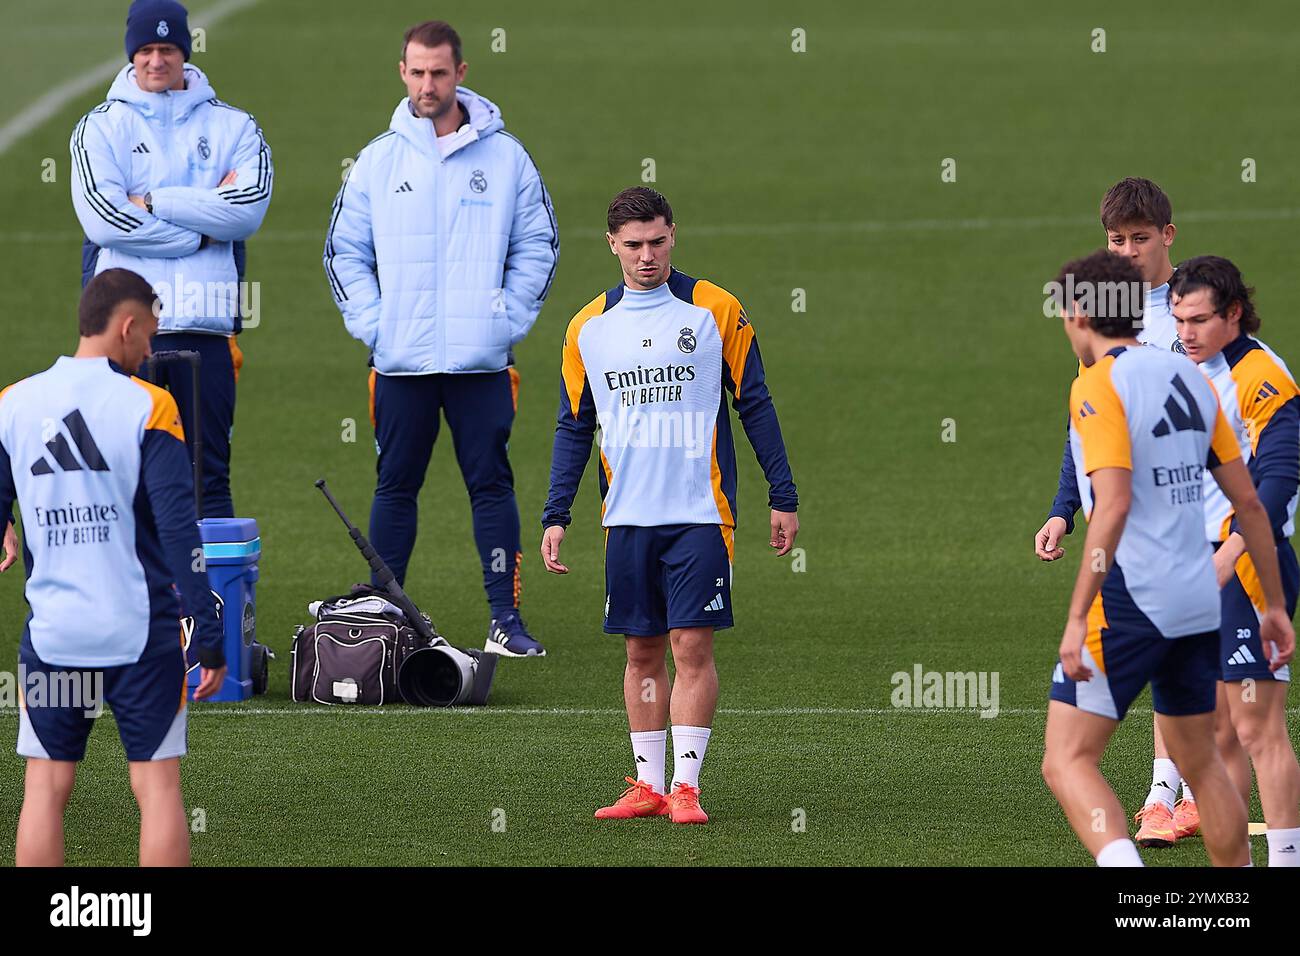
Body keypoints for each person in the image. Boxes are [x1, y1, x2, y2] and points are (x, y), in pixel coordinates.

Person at [540, 187, 799, 824]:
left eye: (656, 241)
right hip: (625, 516)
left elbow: (755, 403)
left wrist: (782, 494)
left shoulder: (715, 310)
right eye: (633, 246)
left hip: (700, 512)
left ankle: (687, 787)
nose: (646, 256)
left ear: (673, 235)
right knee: (640, 652)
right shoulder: (587, 328)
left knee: (691, 646)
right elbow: (575, 425)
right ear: (611, 246)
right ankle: (647, 786)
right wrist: (556, 513)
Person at [1039, 250, 1294, 867]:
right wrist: (1278, 606)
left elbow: (1115, 503)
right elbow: (1252, 505)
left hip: (1134, 597)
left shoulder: (1096, 385)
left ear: (1079, 315)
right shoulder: (1190, 381)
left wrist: (1077, 615)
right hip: (1199, 596)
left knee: (1067, 759)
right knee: (1203, 758)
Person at [325, 20, 559, 658]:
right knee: (395, 484)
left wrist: (504, 320)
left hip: (481, 362)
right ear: (401, 71)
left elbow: (538, 243)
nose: (428, 84)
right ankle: (379, 612)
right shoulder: (377, 160)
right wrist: (375, 326)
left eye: (440, 72)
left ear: (461, 73)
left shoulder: (506, 157)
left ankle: (504, 621)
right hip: (400, 362)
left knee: (492, 485)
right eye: (417, 71)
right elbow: (344, 251)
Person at [0, 269, 226, 866]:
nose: (149, 350)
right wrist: (207, 630)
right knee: (156, 792)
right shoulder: (150, 405)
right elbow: (181, 532)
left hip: (53, 636)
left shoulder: (13, 404)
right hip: (139, 637)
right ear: (125, 326)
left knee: (45, 792)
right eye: (148, 335)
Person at [1033, 178, 1199, 845]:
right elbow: (1093, 427)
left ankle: (1167, 794)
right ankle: (1169, 794)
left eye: (1139, 237)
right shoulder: (1107, 312)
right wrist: (1063, 510)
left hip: (1180, 524)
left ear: (1168, 235)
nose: (1127, 251)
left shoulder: (1195, 307)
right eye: (1116, 239)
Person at [70, 0, 273, 519]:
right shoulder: (100, 127)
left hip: (203, 331)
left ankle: (212, 601)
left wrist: (156, 201)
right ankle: (141, 602)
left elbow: (247, 212)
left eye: (167, 48)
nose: (156, 60)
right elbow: (102, 221)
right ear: (131, 54)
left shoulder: (235, 126)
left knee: (208, 477)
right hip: (127, 332)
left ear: (185, 52)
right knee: (125, 477)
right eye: (146, 50)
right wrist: (202, 231)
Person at [1171, 256, 1300, 866]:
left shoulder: (1261, 377)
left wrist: (1226, 557)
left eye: (1199, 320)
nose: (1186, 332)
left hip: (1246, 570)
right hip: (1194, 565)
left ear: (1234, 314)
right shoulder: (1186, 364)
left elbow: (1277, 482)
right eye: (1178, 319)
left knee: (1256, 731)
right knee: (1215, 733)